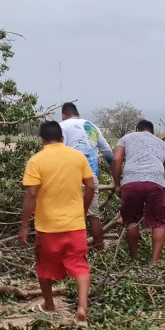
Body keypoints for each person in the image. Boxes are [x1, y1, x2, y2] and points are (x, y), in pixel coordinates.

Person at [19, 120, 96, 324]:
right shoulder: (77, 157)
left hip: (48, 227)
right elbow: (90, 186)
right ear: (62, 138)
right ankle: (81, 307)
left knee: (44, 268)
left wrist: (24, 226)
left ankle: (50, 305)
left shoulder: (36, 160)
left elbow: (31, 194)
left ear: (41, 140)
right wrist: (83, 209)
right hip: (75, 224)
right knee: (80, 265)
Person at [112, 119, 165, 265]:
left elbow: (116, 160)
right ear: (151, 132)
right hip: (156, 183)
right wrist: (159, 184)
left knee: (131, 221)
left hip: (131, 182)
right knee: (159, 223)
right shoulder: (161, 144)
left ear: (137, 129)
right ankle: (154, 263)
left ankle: (135, 260)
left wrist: (117, 184)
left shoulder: (126, 138)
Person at [60, 102, 114, 252]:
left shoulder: (62, 126)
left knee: (69, 214)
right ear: (77, 113)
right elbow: (108, 153)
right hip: (91, 175)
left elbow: (58, 150)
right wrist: (117, 177)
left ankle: (71, 252)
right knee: (93, 216)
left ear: (64, 115)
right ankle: (100, 251)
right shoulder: (91, 126)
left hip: (70, 175)